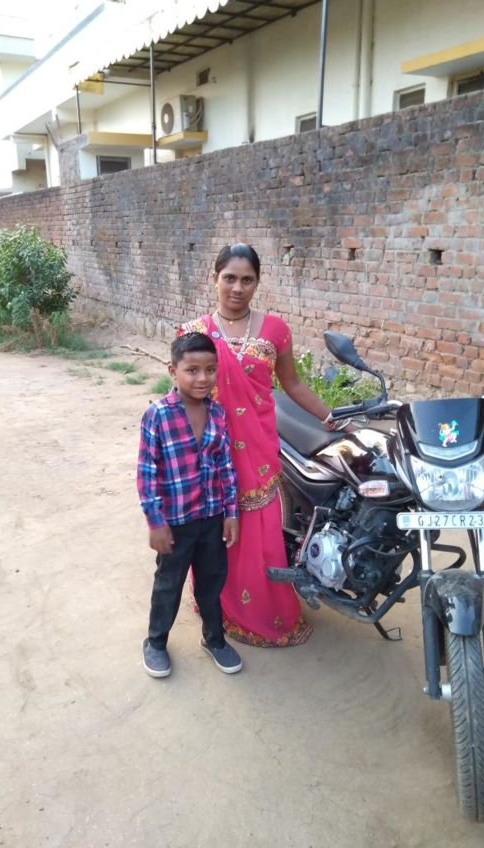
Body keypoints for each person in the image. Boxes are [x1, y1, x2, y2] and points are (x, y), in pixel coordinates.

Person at [179, 243, 347, 648]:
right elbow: (184, 398)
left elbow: (292, 384)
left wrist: (331, 417)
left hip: (257, 449)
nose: (237, 288)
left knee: (258, 530)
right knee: (214, 531)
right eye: (229, 278)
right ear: (214, 278)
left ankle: (264, 612)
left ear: (257, 283)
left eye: (247, 280)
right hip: (212, 451)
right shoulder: (193, 333)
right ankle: (218, 605)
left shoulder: (275, 329)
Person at [137, 332, 242, 677]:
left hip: (211, 517)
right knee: (169, 584)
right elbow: (147, 473)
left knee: (212, 582)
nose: (202, 378)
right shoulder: (157, 415)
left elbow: (226, 466)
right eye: (192, 370)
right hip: (176, 522)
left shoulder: (218, 413)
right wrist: (156, 522)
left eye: (210, 370)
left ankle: (214, 639)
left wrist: (231, 513)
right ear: (173, 371)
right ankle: (155, 643)